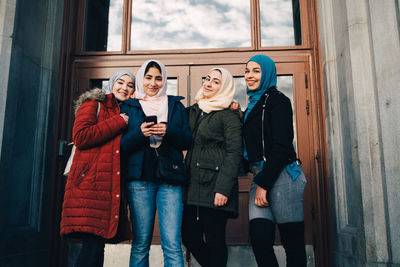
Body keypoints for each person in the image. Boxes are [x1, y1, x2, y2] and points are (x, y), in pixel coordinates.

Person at [60, 70, 136, 267]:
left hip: (107, 187)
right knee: (92, 246)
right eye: (121, 82)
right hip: (89, 186)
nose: (125, 88)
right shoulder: (94, 104)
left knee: (97, 245)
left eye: (130, 85)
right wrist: (118, 122)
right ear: (111, 84)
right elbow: (82, 137)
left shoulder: (123, 110)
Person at [120, 59, 191, 267]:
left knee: (172, 244)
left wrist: (169, 131)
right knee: (141, 243)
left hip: (171, 180)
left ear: (164, 80)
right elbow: (121, 146)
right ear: (141, 79)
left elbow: (187, 140)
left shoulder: (176, 105)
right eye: (148, 77)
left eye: (158, 78)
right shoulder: (129, 106)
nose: (153, 83)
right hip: (139, 181)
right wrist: (139, 134)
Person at [242, 54, 307, 267]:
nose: (250, 76)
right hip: (261, 177)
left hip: (283, 177)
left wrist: (263, 184)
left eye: (256, 71)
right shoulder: (252, 104)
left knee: (292, 242)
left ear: (267, 73)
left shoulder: (278, 100)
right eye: (247, 71)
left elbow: (281, 146)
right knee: (260, 239)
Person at [182, 67, 243, 267]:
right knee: (189, 237)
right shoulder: (195, 110)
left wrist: (223, 189)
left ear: (224, 87)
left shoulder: (229, 115)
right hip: (193, 186)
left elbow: (234, 153)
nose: (208, 83)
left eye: (216, 81)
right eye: (207, 79)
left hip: (216, 187)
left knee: (215, 240)